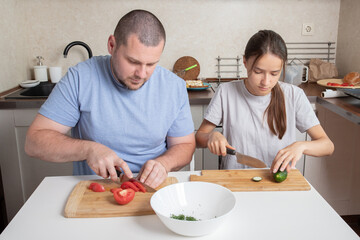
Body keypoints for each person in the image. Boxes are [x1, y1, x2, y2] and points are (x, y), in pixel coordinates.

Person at [25, 10, 195, 188]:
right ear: (112, 45)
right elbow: (34, 142)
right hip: (96, 190)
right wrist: (89, 149)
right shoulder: (80, 77)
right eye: (133, 61)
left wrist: (164, 164)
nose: (142, 74)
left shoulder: (174, 86)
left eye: (151, 64)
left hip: (153, 189)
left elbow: (185, 145)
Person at [195, 30, 334, 173]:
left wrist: (301, 146)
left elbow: (327, 146)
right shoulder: (225, 92)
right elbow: (199, 138)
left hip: (277, 181)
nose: (266, 82)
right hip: (235, 178)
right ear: (245, 62)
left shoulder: (294, 95)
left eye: (274, 73)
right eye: (258, 72)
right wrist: (212, 136)